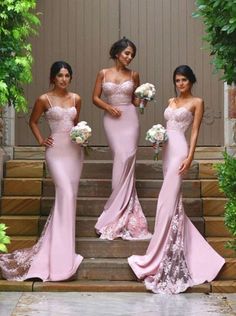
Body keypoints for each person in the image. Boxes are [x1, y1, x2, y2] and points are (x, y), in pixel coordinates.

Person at [128, 65, 225, 294]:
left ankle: (158, 254)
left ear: (191, 81)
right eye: (177, 80)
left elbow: (194, 132)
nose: (180, 84)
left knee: (165, 202)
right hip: (166, 151)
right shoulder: (171, 100)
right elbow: (167, 127)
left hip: (180, 151)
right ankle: (191, 253)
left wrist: (190, 156)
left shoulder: (197, 102)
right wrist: (157, 141)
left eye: (184, 80)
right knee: (172, 204)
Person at [0, 61, 84, 281]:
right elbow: (33, 121)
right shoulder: (43, 99)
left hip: (74, 152)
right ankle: (58, 254)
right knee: (64, 192)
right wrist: (40, 140)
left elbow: (76, 124)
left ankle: (64, 251)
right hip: (55, 151)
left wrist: (82, 136)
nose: (64, 79)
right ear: (53, 78)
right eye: (60, 75)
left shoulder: (76, 98)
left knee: (70, 198)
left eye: (67, 75)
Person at [92, 37, 151, 240]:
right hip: (111, 119)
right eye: (127, 53)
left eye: (132, 54)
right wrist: (108, 107)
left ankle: (123, 205)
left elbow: (136, 102)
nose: (129, 57)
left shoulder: (134, 74)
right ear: (117, 53)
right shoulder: (103, 73)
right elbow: (95, 98)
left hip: (130, 119)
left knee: (128, 158)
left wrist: (144, 100)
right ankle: (116, 206)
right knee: (120, 155)